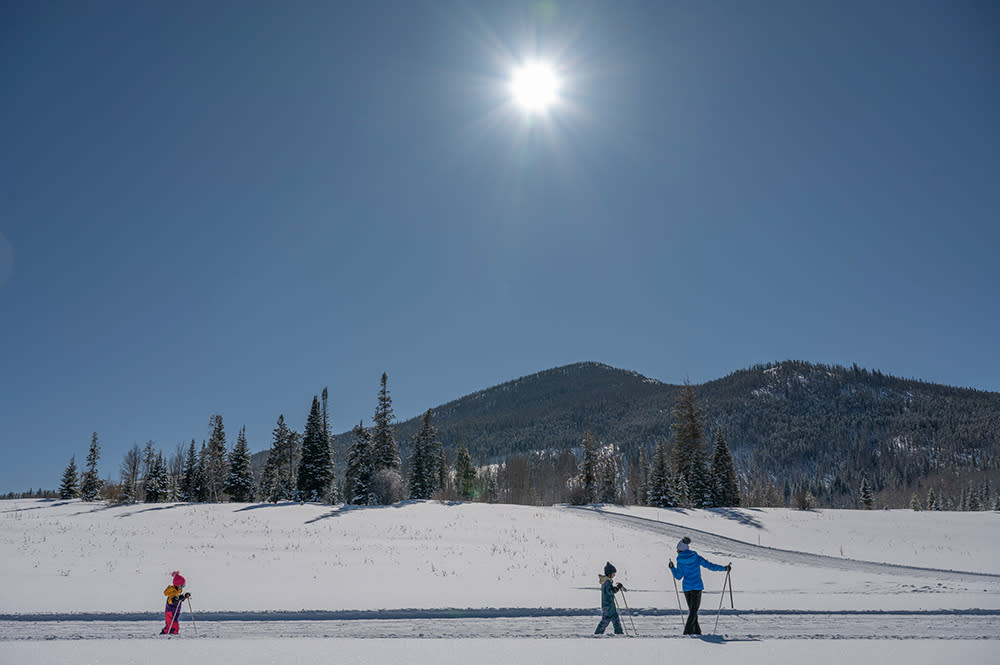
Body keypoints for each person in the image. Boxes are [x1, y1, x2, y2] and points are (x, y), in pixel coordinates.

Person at [668, 536, 730, 635]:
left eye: (677, 550)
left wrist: (672, 568)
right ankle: (687, 633)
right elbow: (710, 566)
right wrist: (724, 568)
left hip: (687, 588)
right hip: (697, 587)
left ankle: (697, 632)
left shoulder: (680, 561)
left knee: (693, 612)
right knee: (693, 612)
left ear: (680, 550)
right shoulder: (696, 557)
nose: (677, 551)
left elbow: (679, 576)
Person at [594, 561, 626, 636]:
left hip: (611, 605)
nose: (614, 575)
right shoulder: (606, 582)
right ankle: (598, 634)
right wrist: (616, 588)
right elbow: (610, 591)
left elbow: (611, 590)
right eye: (613, 573)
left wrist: (616, 588)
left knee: (616, 619)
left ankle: (619, 633)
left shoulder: (608, 582)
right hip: (607, 605)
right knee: (605, 620)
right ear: (609, 573)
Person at [161, 571, 191, 635]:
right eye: (182, 586)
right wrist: (179, 598)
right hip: (170, 612)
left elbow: (179, 598)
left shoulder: (177, 592)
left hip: (174, 612)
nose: (183, 587)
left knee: (173, 625)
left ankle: (170, 633)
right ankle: (169, 634)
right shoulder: (173, 592)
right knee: (172, 625)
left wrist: (184, 596)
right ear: (178, 585)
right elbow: (172, 600)